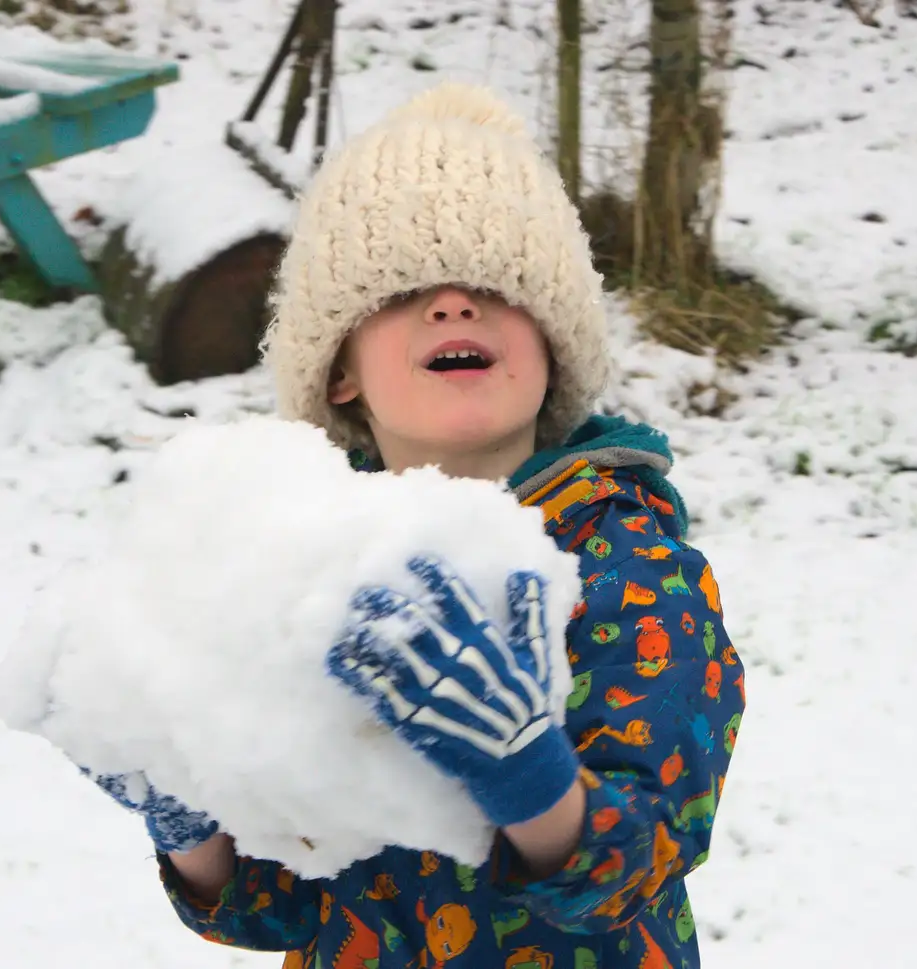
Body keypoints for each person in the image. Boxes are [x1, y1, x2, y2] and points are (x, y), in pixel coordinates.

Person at [86, 82, 746, 968]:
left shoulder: (626, 562)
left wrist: (529, 776)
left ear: (553, 352)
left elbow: (644, 862)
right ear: (341, 374)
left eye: (496, 285)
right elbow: (281, 907)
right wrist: (190, 823)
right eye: (402, 292)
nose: (452, 305)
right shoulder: (306, 564)